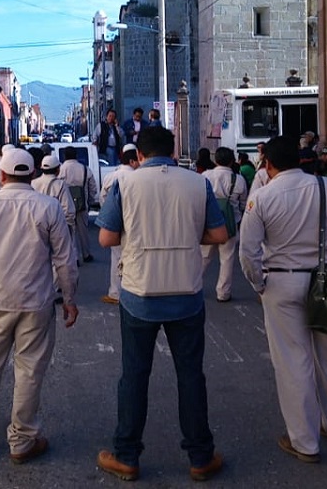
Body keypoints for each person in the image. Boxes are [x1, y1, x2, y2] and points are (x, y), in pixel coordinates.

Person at [94, 126, 228, 482]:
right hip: (186, 292)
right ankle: (201, 457)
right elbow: (219, 234)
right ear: (174, 150)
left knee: (134, 376)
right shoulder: (198, 183)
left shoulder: (127, 184)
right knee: (191, 376)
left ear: (139, 155)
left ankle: (127, 455)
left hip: (139, 293)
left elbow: (106, 237)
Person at [238, 135, 327, 463]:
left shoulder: (263, 198)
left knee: (294, 363)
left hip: (281, 281)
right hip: (325, 280)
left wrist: (259, 284)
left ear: (268, 164)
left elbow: (248, 252)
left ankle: (305, 441)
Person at [0, 149, 79, 463]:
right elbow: (65, 261)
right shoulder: (48, 207)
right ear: (32, 174)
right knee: (29, 371)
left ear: (1, 175)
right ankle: (22, 440)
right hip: (36, 301)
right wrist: (68, 299)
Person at [201, 147, 248, 303]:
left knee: (203, 257)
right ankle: (223, 292)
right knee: (227, 259)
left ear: (216, 160)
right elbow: (243, 203)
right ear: (231, 161)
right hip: (230, 224)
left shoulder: (206, 176)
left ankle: (192, 285)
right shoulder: (238, 179)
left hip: (209, 224)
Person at [98, 144, 139, 305]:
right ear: (132, 161)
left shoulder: (111, 176)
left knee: (116, 258)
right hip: (134, 222)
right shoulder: (137, 178)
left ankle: (115, 292)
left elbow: (103, 199)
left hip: (115, 223)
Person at [58, 147, 96, 264]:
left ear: (64, 156)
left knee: (69, 232)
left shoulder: (60, 170)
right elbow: (92, 187)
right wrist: (89, 201)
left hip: (65, 205)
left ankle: (74, 257)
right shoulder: (84, 169)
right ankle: (86, 254)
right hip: (81, 204)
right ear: (76, 156)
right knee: (83, 231)